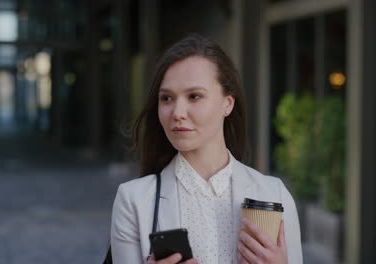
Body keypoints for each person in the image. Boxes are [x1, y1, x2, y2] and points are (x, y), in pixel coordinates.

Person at [110, 34, 302, 264]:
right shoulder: (134, 200)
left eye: (194, 96)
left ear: (227, 104)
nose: (178, 112)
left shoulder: (274, 194)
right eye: (167, 98)